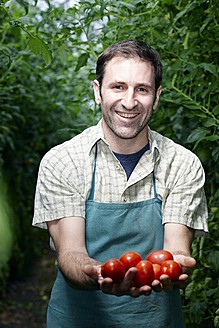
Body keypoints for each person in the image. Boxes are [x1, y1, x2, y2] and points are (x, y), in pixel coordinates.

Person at [33, 39, 208, 328]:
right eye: (118, 87)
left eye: (142, 89)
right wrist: (99, 274)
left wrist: (175, 264)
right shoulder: (62, 161)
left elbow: (175, 250)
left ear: (157, 96)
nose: (129, 102)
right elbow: (71, 254)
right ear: (97, 91)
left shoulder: (182, 164)